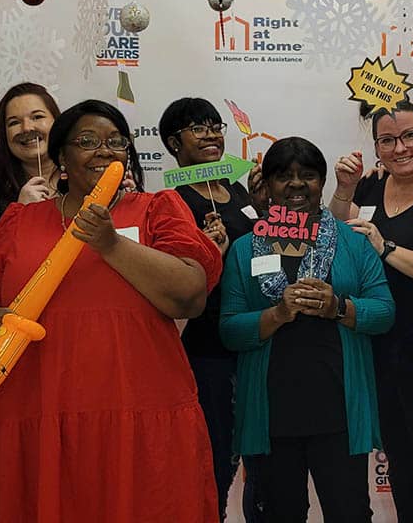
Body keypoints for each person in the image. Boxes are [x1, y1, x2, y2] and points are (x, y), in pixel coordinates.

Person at [0, 99, 221, 522]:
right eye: (87, 141)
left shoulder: (156, 210)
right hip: (40, 411)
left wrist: (110, 243)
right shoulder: (19, 222)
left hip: (138, 413)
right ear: (61, 158)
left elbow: (189, 296)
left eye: (116, 141)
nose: (104, 151)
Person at [221, 137, 395, 523]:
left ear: (322, 183)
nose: (297, 185)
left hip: (339, 412)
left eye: (309, 176)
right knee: (280, 514)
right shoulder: (245, 248)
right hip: (272, 415)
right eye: (284, 176)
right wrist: (278, 313)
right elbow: (231, 329)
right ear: (266, 185)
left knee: (349, 512)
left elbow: (383, 312)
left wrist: (338, 308)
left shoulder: (353, 242)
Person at [329, 102, 413, 523]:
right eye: (387, 140)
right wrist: (345, 190)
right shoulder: (369, 189)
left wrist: (386, 247)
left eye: (409, 136)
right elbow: (335, 235)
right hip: (377, 349)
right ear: (376, 147)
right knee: (400, 466)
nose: (399, 147)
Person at [158, 97, 261, 522]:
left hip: (255, 337)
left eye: (214, 125)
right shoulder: (171, 201)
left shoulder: (236, 192)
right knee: (216, 455)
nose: (211, 134)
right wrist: (208, 251)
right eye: (197, 128)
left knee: (260, 456)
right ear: (172, 143)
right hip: (207, 346)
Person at [0, 82, 62, 231]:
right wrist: (19, 212)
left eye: (37, 117)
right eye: (14, 122)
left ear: (57, 122)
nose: (27, 128)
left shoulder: (82, 181)